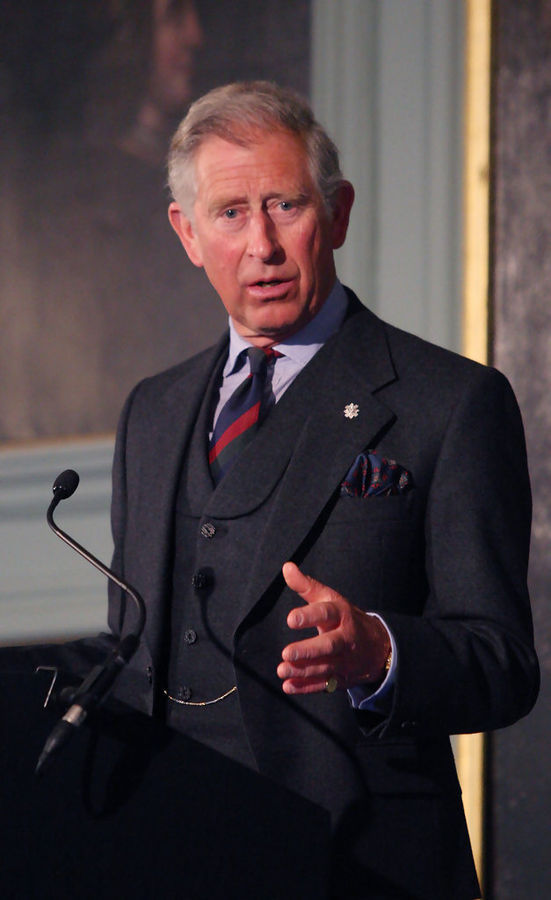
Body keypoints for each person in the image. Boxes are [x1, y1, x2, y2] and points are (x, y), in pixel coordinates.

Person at [11, 81, 539, 898]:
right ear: (187, 233)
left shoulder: (450, 403)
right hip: (163, 857)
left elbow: (501, 665)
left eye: (284, 205)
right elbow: (137, 650)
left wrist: (378, 652)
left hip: (355, 865)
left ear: (337, 213)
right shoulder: (153, 411)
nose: (260, 243)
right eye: (229, 214)